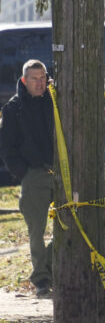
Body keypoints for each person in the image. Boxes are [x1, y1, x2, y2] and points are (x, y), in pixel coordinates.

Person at [0, 60, 58, 298]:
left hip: (60, 171)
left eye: (43, 77)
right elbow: (6, 147)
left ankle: (52, 267)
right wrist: (22, 172)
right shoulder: (13, 109)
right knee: (37, 231)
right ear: (24, 81)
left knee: (71, 225)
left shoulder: (54, 100)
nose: (40, 83)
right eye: (34, 78)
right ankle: (41, 279)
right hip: (33, 175)